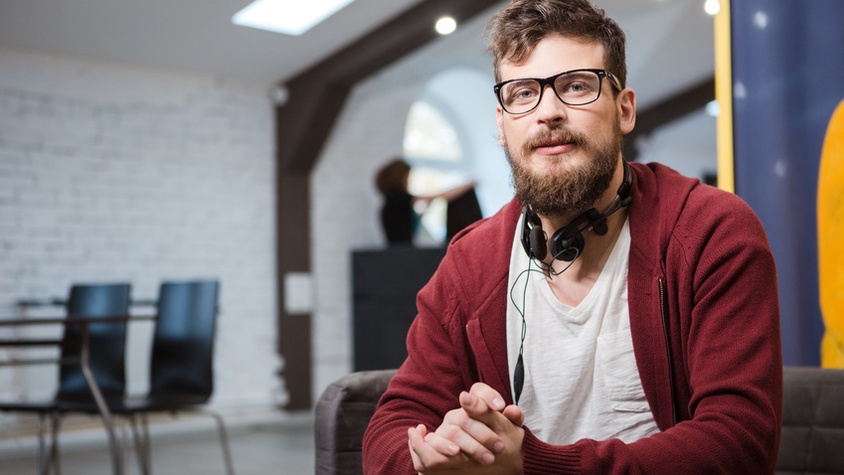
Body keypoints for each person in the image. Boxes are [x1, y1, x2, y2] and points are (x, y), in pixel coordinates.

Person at [362, 0, 783, 473]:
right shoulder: (470, 262)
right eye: (523, 93)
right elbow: (394, 422)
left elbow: (741, 443)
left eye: (576, 86)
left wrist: (531, 465)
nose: (549, 112)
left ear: (624, 110)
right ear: (502, 125)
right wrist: (425, 461)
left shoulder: (711, 231)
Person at [375, 158, 477, 245]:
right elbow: (442, 196)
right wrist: (468, 185)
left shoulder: (391, 204)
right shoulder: (398, 200)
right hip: (403, 252)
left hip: (400, 251)